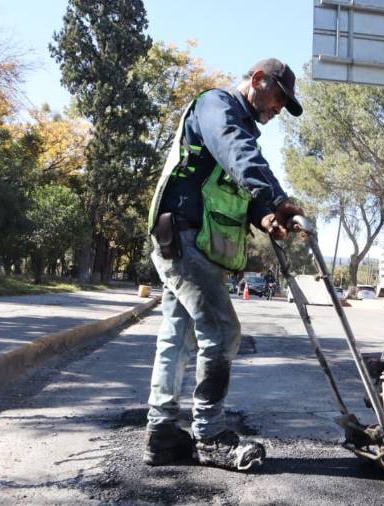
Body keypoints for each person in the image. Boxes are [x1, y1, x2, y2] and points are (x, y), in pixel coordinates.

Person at [143, 58, 305, 471]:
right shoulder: (217, 107)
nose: (279, 109)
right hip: (181, 237)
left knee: (177, 336)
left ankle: (161, 435)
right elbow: (236, 150)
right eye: (279, 98)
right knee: (222, 328)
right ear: (256, 80)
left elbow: (231, 184)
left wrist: (264, 216)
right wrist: (275, 198)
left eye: (285, 104)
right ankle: (209, 434)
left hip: (190, 240)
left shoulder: (241, 124)